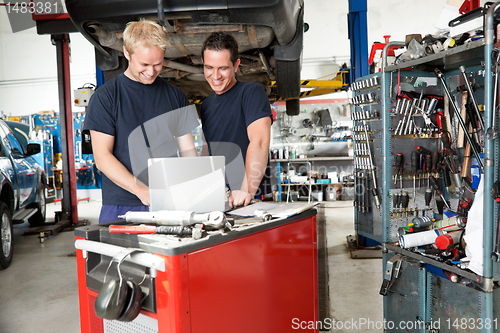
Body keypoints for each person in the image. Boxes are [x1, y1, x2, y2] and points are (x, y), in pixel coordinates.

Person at [84, 19, 199, 223]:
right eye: (144, 64)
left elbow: (188, 151)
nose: (151, 71)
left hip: (168, 203)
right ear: (127, 53)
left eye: (158, 64)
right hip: (122, 205)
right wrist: (141, 191)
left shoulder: (176, 97)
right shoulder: (105, 97)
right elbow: (102, 157)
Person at [200, 32, 273, 207]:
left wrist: (247, 189)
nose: (215, 76)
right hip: (219, 198)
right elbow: (207, 148)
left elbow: (260, 141)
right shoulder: (206, 104)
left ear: (236, 66)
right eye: (209, 67)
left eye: (223, 68)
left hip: (249, 197)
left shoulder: (251, 93)